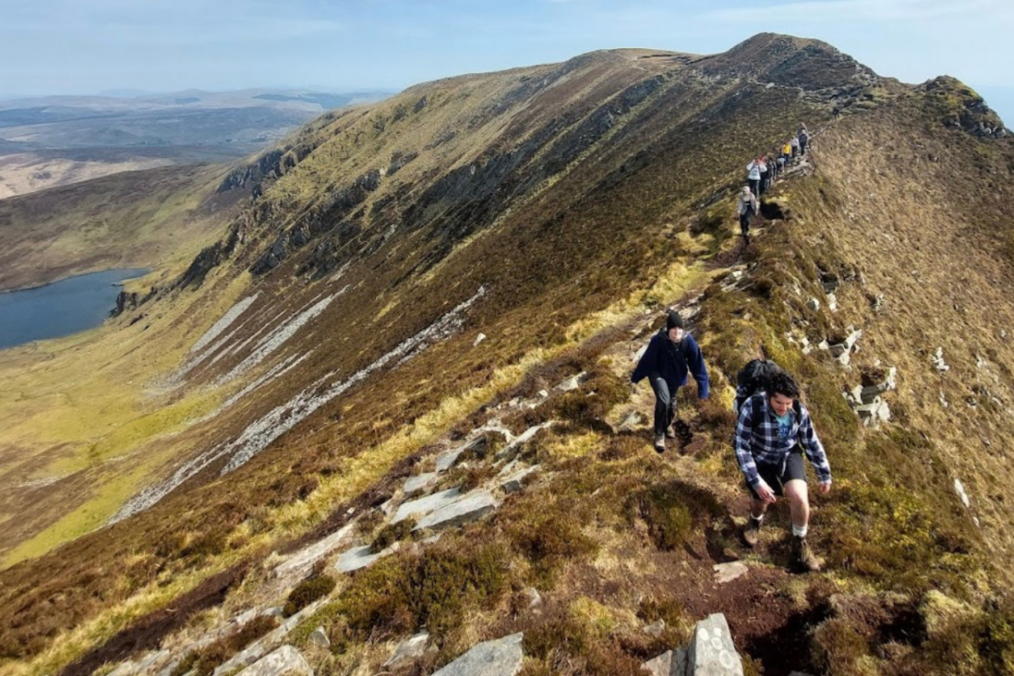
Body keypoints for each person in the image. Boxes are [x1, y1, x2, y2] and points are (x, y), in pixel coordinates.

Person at [734, 369, 831, 572]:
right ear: (769, 396)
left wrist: (823, 472)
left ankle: (800, 543)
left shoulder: (798, 410)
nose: (784, 408)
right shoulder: (752, 408)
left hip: (788, 454)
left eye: (788, 404)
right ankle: (755, 521)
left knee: (800, 497)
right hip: (759, 457)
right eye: (779, 403)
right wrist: (756, 480)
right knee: (761, 501)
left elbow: (810, 441)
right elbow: (741, 446)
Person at [631, 311, 710, 453]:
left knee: (671, 404)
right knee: (664, 399)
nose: (677, 331)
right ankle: (659, 433)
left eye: (679, 328)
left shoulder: (688, 342)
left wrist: (703, 389)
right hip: (657, 373)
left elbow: (698, 365)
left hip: (675, 377)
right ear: (668, 329)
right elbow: (647, 361)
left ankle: (667, 425)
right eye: (673, 328)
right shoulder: (658, 340)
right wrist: (635, 378)